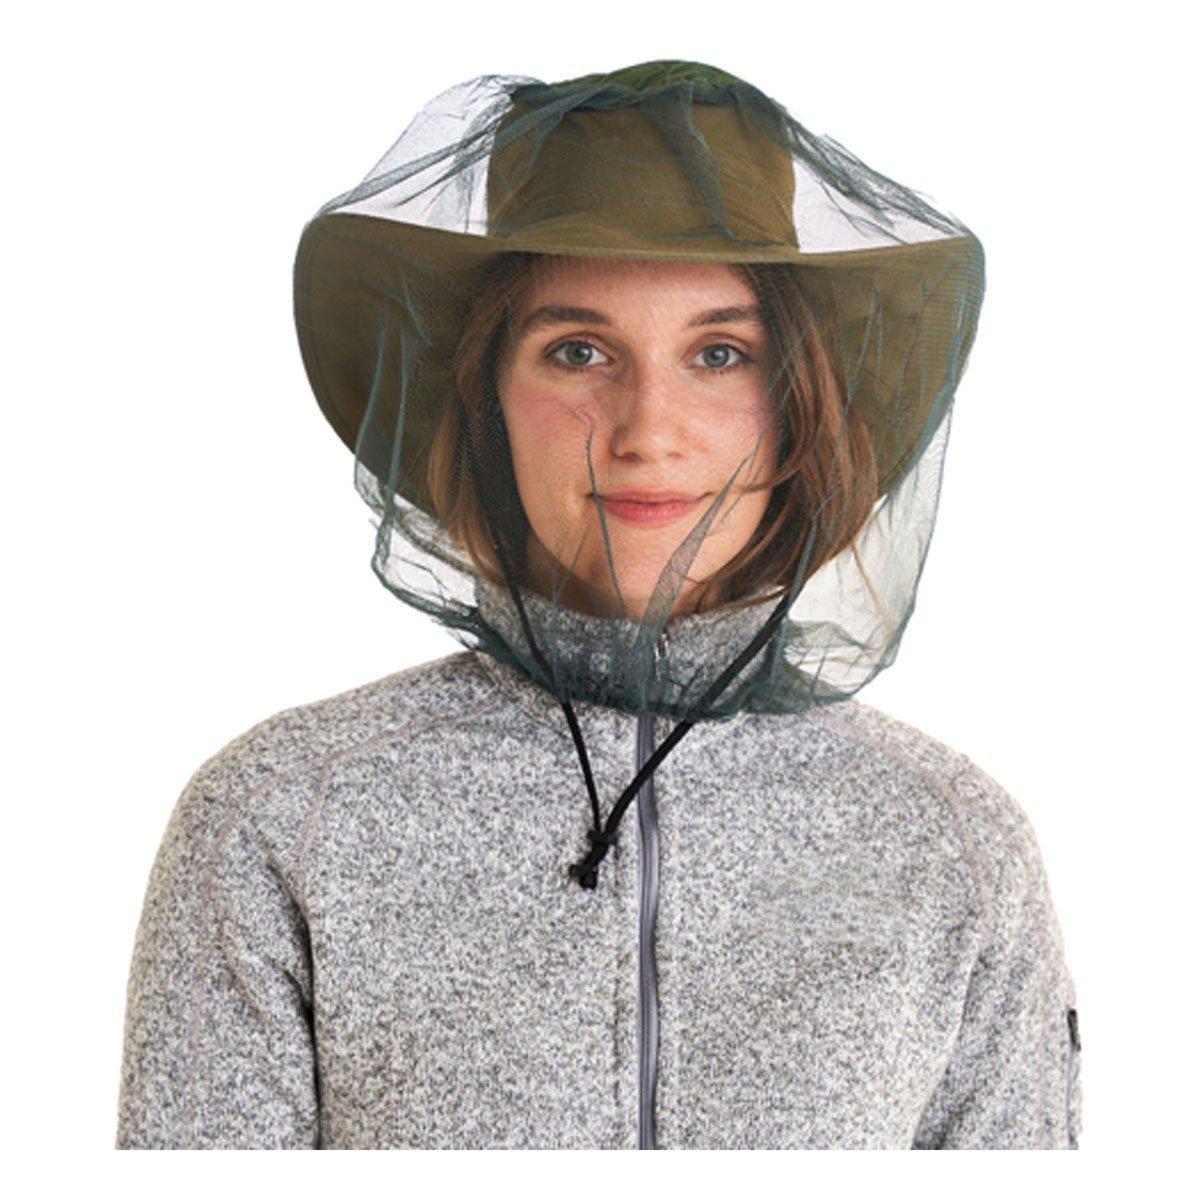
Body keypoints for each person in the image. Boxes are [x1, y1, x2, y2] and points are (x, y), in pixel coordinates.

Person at [114, 58, 1082, 1149]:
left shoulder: (951, 840)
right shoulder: (280, 817)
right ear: (485, 396)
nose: (648, 429)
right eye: (578, 352)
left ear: (799, 405)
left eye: (720, 354)